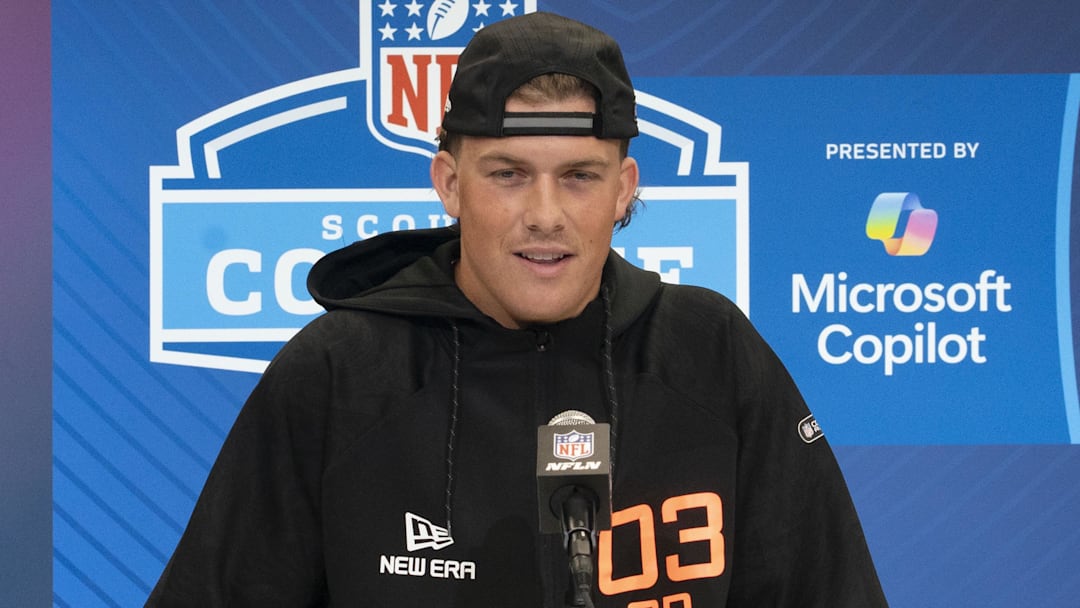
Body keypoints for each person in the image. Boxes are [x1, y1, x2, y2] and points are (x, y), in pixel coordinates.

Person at [147, 11, 888, 607]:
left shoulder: (711, 352)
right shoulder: (340, 373)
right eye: (508, 174)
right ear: (450, 183)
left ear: (624, 188)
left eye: (579, 176)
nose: (545, 215)